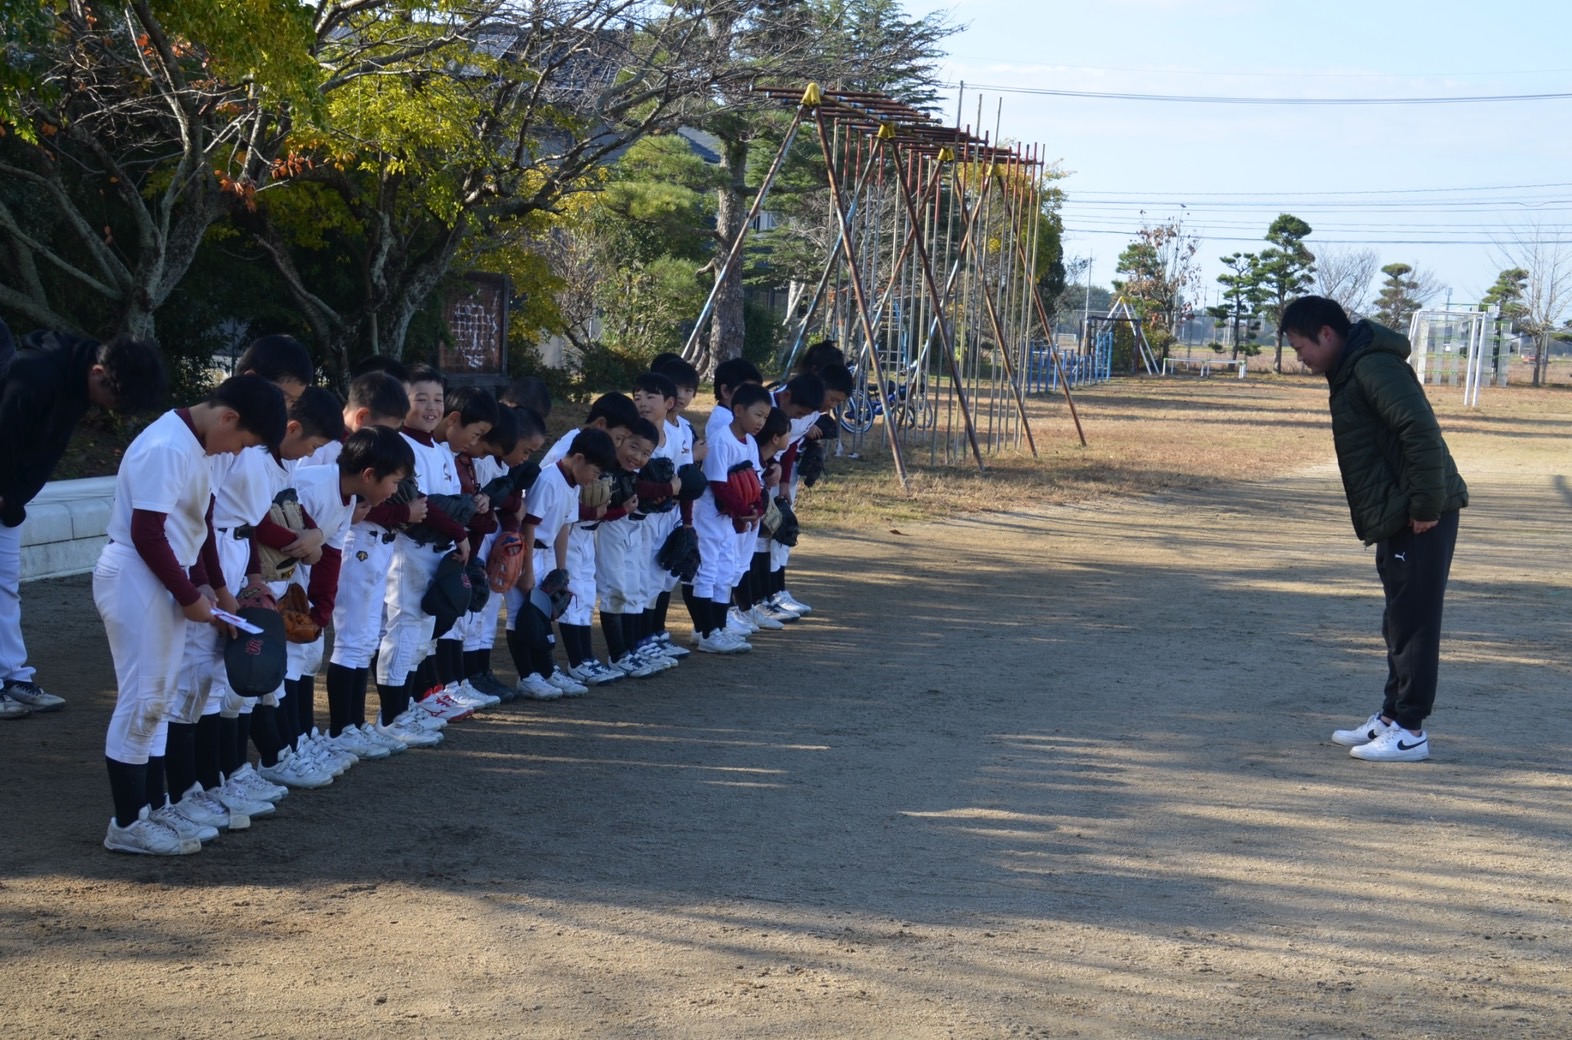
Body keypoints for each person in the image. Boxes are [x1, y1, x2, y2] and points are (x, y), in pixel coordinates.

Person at [96, 375, 286, 855]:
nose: (240, 453)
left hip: (160, 575)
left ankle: (152, 809)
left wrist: (218, 589)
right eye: (243, 442)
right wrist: (188, 595)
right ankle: (127, 822)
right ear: (227, 418)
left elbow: (197, 524)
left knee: (157, 701)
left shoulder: (198, 448)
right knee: (144, 699)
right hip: (138, 576)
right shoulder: (169, 446)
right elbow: (147, 532)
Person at [1280, 295, 1468, 763]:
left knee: (1415, 623)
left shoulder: (1372, 367)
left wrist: (1426, 504)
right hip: (1399, 513)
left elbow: (1420, 430)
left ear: (1327, 333)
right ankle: (1390, 717)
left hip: (1421, 513)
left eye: (1300, 345)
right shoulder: (1352, 368)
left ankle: (1410, 731)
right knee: (1398, 621)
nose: (1299, 357)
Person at [0, 317, 168, 717]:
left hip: (11, 500)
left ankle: (12, 674)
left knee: (6, 586)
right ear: (99, 372)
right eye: (112, 400)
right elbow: (4, 435)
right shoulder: (34, 373)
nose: (109, 409)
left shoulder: (76, 378)